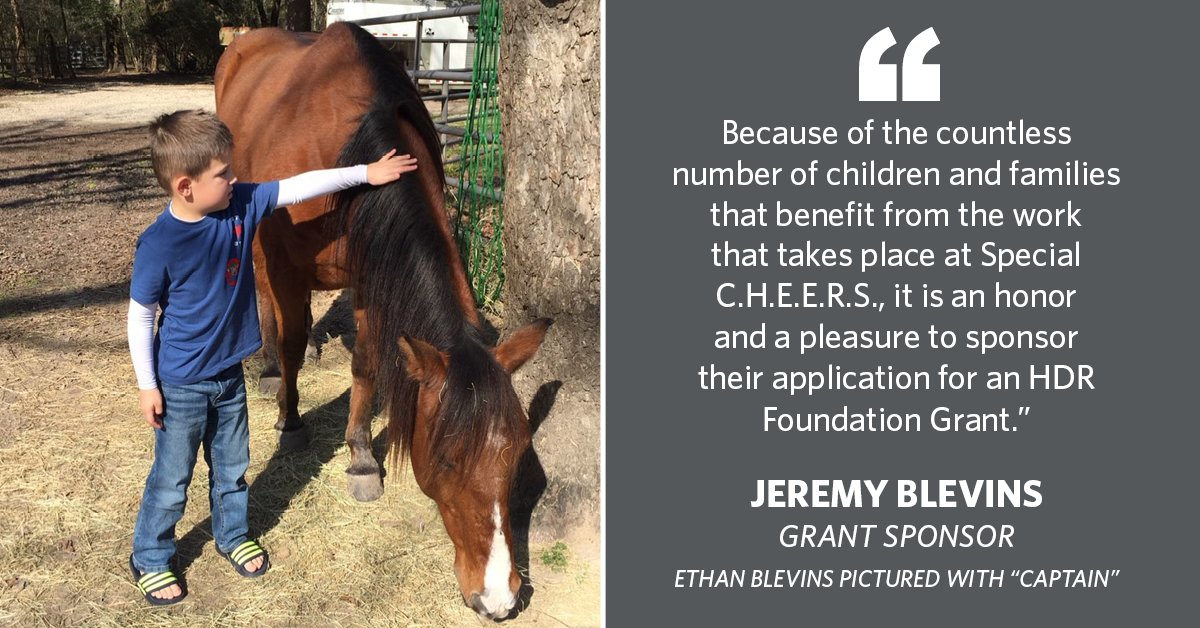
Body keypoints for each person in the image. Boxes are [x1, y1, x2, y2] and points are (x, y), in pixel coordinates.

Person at [127, 109, 416, 605]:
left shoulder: (240, 202)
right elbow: (140, 315)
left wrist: (366, 173)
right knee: (172, 478)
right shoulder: (159, 243)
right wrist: (147, 384)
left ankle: (232, 534)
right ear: (185, 187)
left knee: (232, 465)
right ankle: (151, 555)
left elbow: (301, 186)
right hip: (180, 383)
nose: (235, 178)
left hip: (227, 377)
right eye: (223, 173)